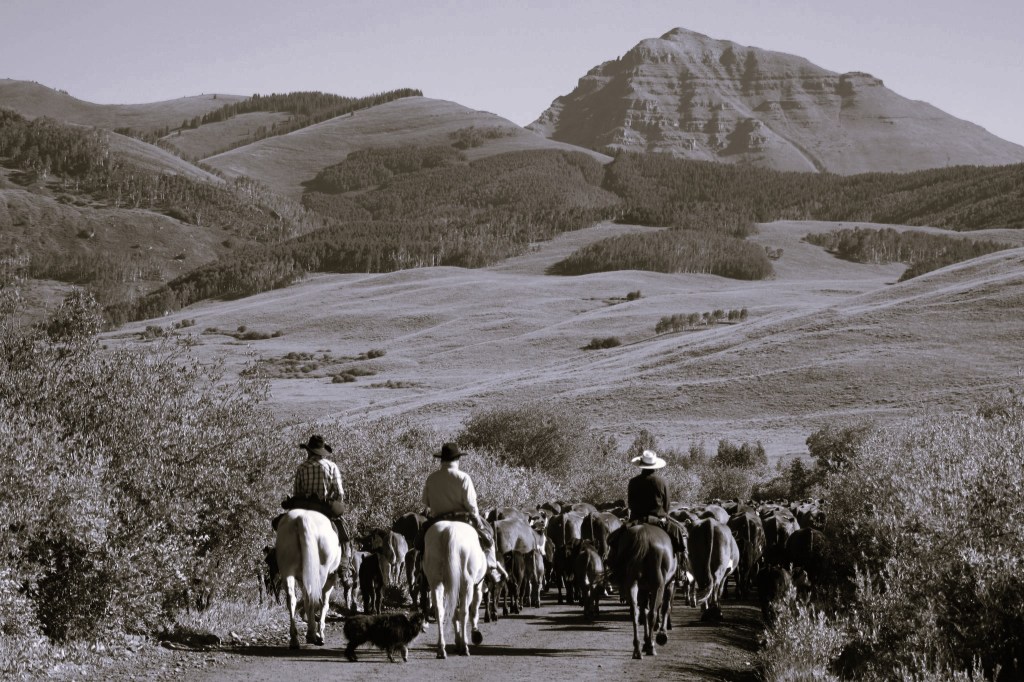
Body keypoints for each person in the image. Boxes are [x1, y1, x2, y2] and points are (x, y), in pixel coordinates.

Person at [418, 442, 507, 580]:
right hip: (463, 518)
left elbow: (426, 502)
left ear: (441, 459)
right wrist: (477, 519)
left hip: (437, 519)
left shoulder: (432, 478)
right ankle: (492, 568)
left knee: (420, 543)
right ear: (457, 459)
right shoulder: (464, 477)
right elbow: (471, 505)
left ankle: (419, 570)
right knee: (488, 537)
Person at [278, 434, 349, 543]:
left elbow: (297, 492)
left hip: (304, 506)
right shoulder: (331, 466)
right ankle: (345, 554)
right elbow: (339, 493)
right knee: (342, 524)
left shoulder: (301, 467)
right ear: (322, 452)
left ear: (309, 451)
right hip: (325, 506)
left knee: (283, 525)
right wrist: (334, 504)